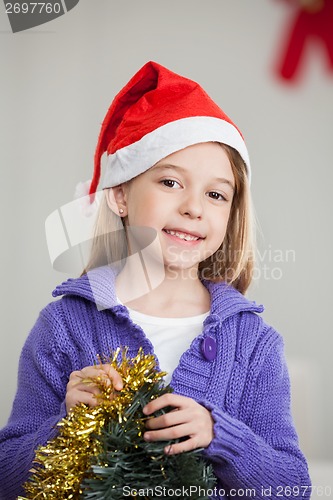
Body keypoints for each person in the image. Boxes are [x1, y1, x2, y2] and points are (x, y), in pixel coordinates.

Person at [0, 61, 311, 499]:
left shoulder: (254, 343)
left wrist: (220, 435)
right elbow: (6, 480)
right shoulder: (63, 328)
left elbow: (293, 486)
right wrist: (66, 426)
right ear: (121, 194)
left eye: (216, 194)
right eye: (170, 181)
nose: (194, 208)